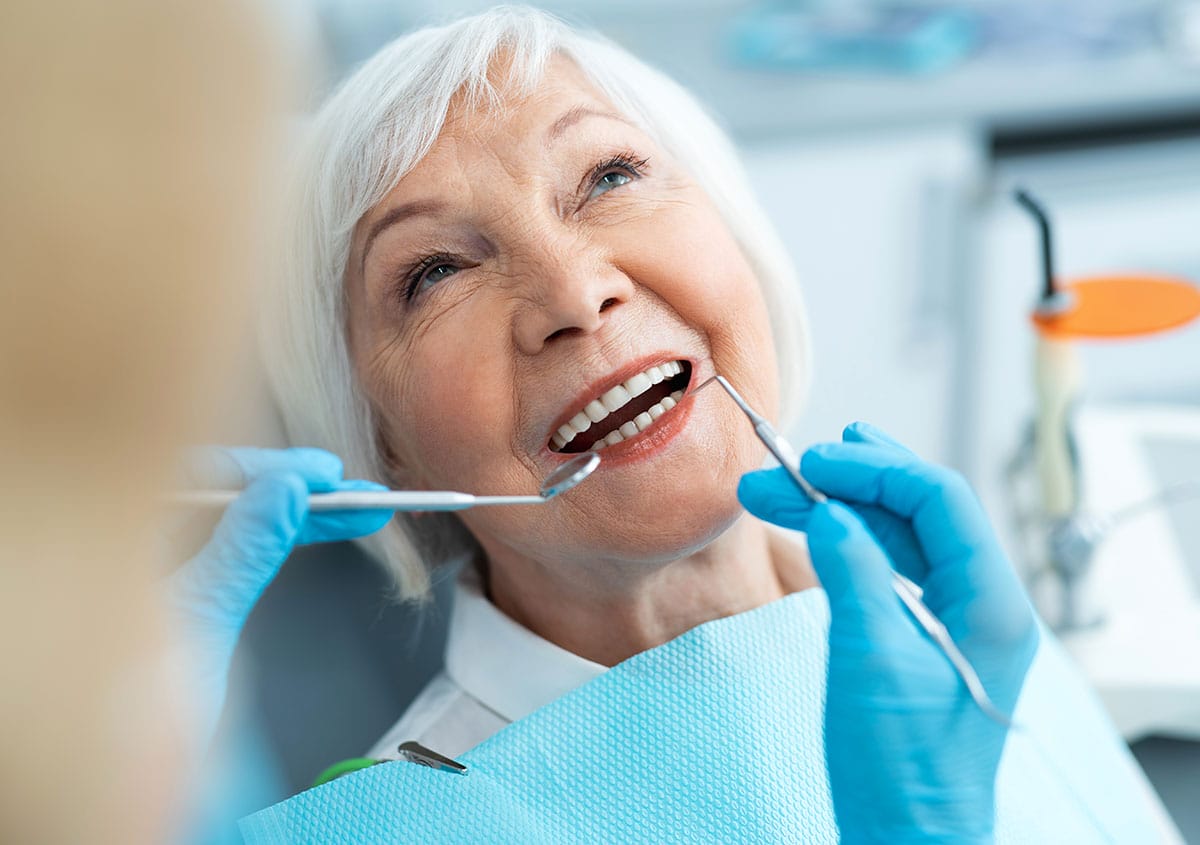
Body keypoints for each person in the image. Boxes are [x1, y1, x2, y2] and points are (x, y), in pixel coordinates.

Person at [172, 8, 1045, 840]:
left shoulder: (951, 628)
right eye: (435, 272)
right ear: (383, 444)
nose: (573, 292)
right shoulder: (408, 823)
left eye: (609, 177)